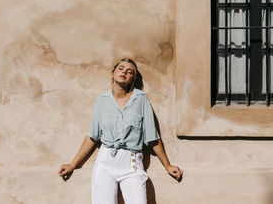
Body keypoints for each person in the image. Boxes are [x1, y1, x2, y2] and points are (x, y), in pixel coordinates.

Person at [58, 58, 182, 204]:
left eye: (129, 72)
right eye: (121, 68)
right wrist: (73, 165)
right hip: (105, 162)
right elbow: (92, 137)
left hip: (132, 162)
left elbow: (152, 138)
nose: (124, 72)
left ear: (132, 80)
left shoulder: (140, 99)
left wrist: (168, 165)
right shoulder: (102, 100)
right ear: (113, 73)